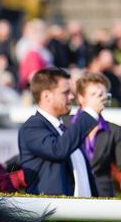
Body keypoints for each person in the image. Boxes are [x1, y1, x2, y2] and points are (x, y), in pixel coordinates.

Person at [18, 67, 101, 196]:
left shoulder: (64, 129)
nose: (71, 96)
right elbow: (58, 150)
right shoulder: (32, 127)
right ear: (46, 96)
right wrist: (89, 114)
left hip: (82, 213)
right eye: (65, 92)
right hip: (52, 213)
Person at [66, 72, 121, 196]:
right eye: (93, 94)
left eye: (102, 94)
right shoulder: (64, 124)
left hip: (103, 197)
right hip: (70, 195)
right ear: (80, 97)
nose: (100, 98)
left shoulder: (114, 131)